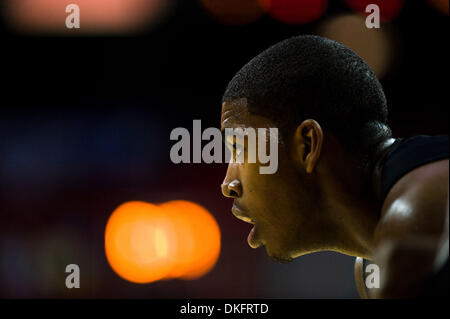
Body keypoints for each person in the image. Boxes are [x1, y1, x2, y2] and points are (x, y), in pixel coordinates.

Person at [219, 35, 448, 298]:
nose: (228, 185)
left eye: (240, 149)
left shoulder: (420, 217)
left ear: (307, 145)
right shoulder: (372, 269)